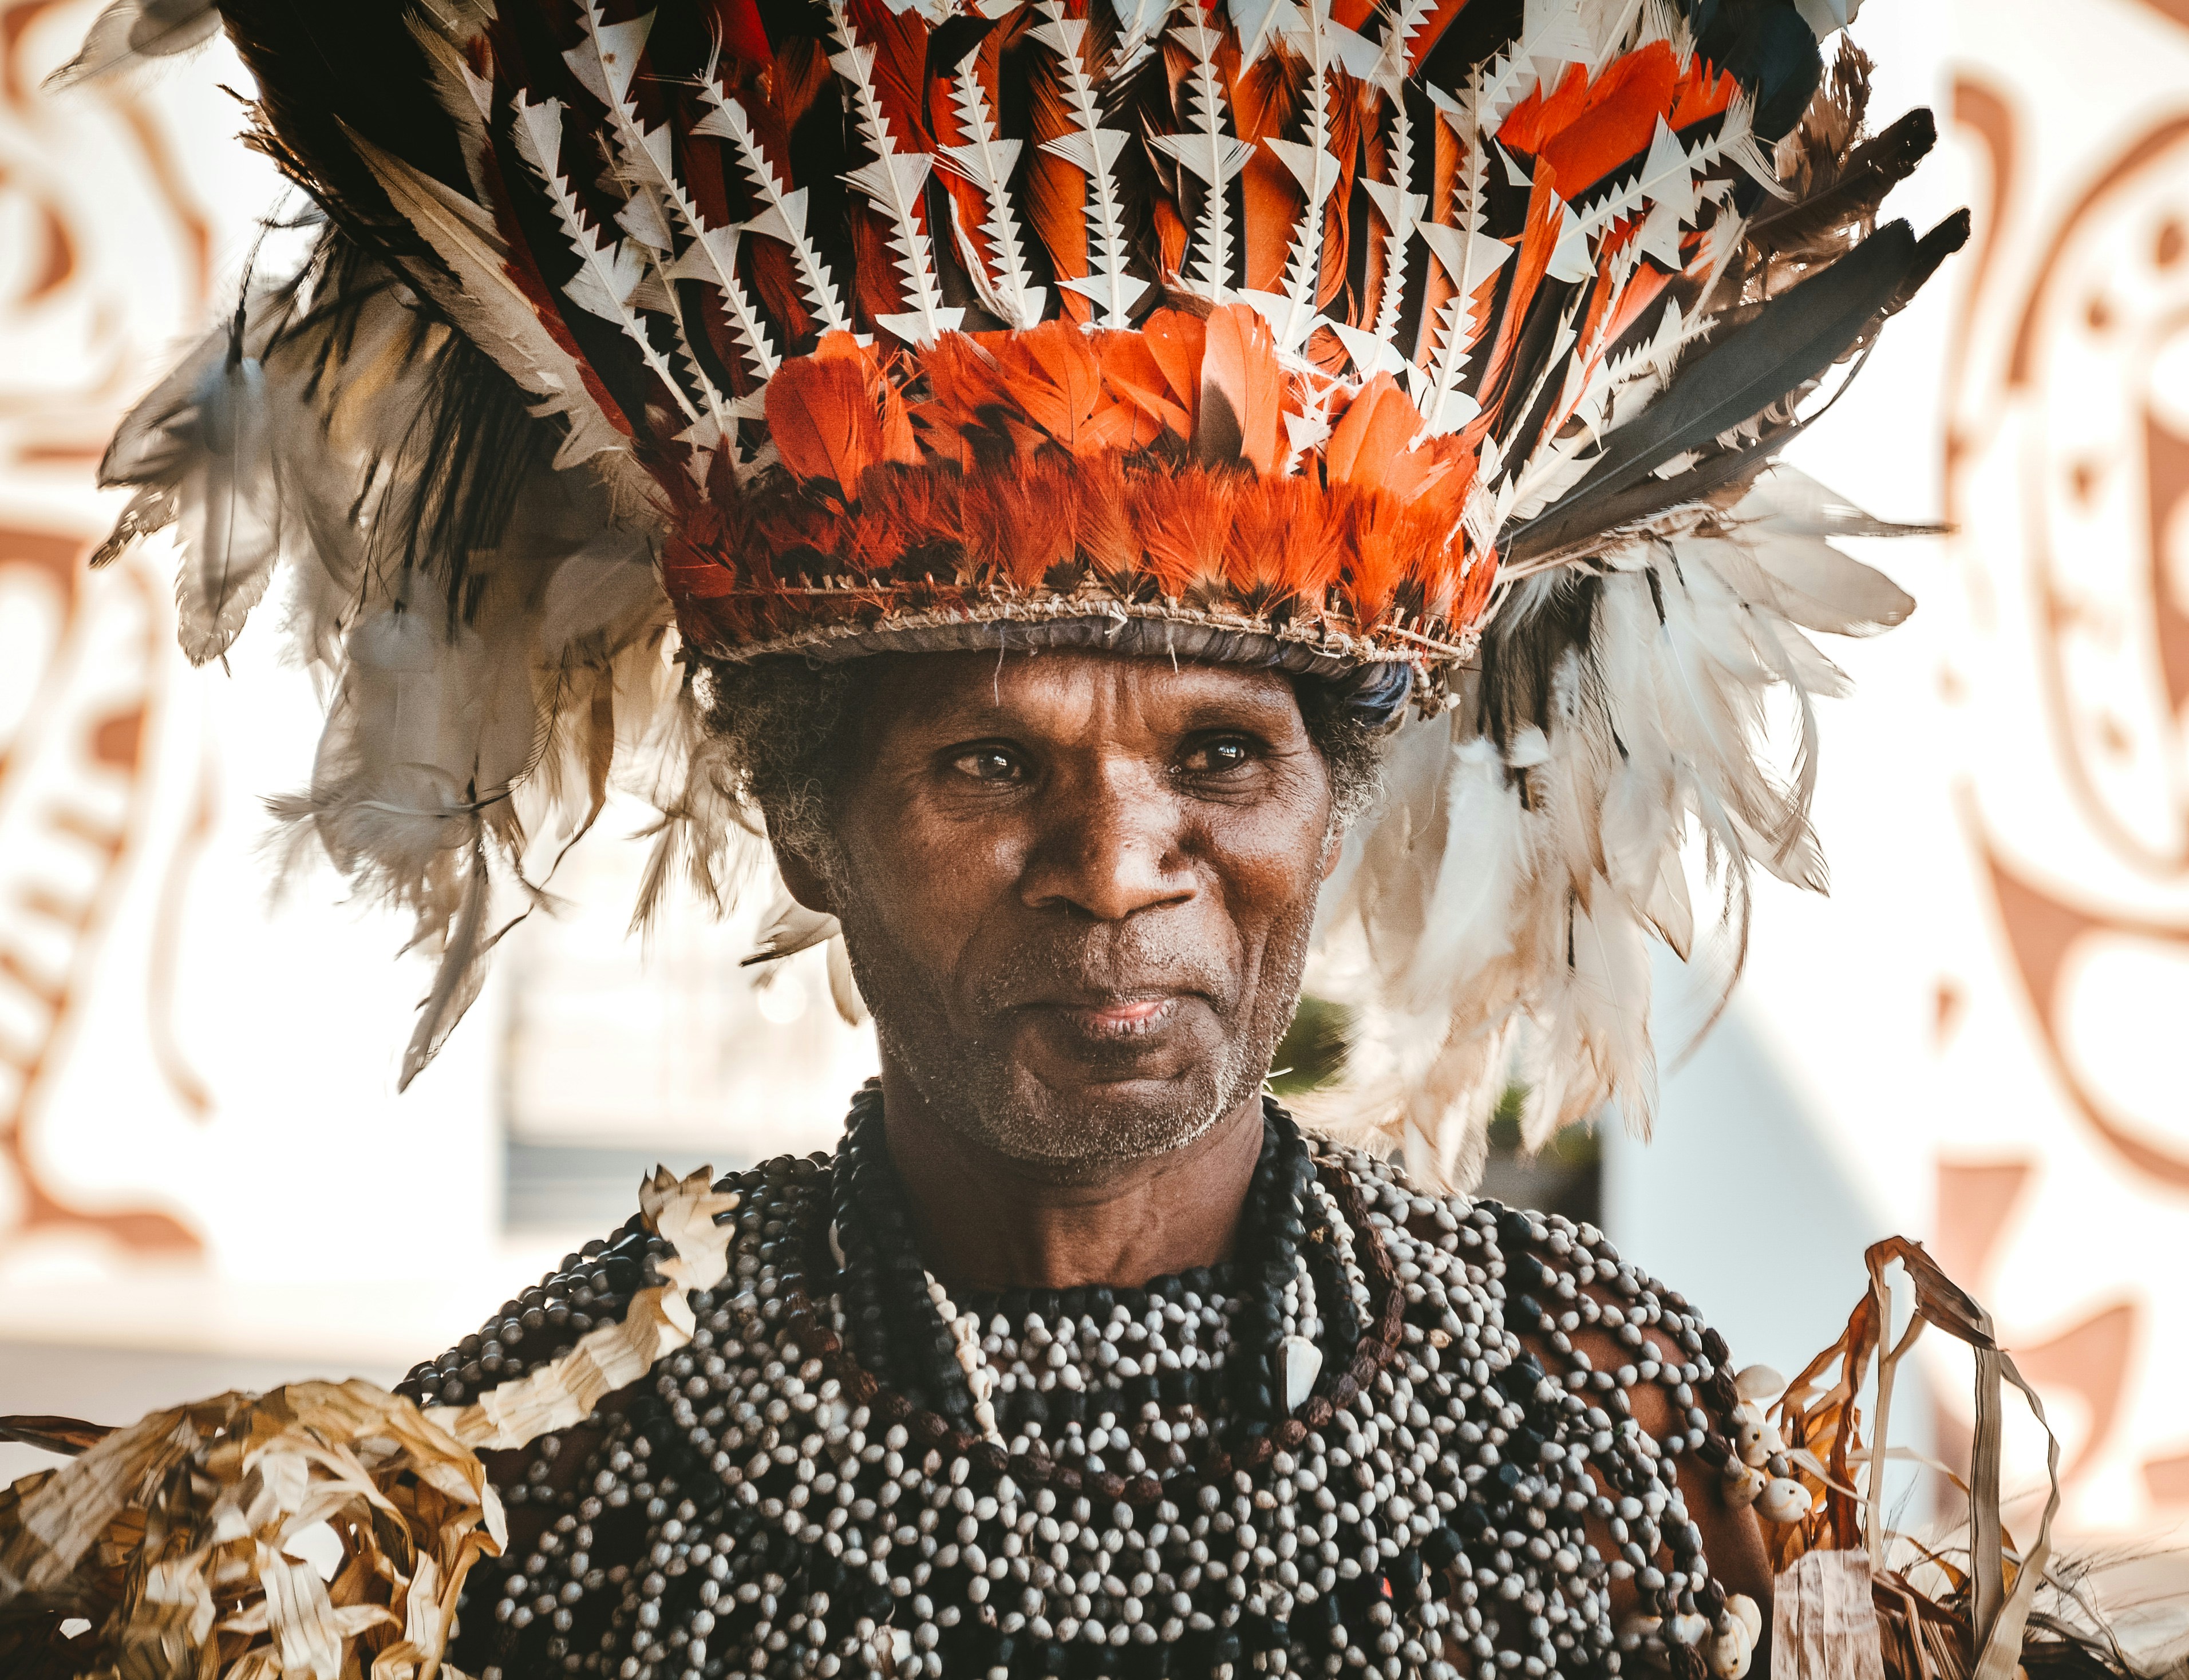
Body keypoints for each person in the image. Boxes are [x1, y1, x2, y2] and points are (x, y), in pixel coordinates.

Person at [25, 0, 1963, 1673]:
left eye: (1219, 758)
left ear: (1331, 801)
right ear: (807, 821)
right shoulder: (528, 1491)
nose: (1117, 869)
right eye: (986, 767)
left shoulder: (1639, 1457)